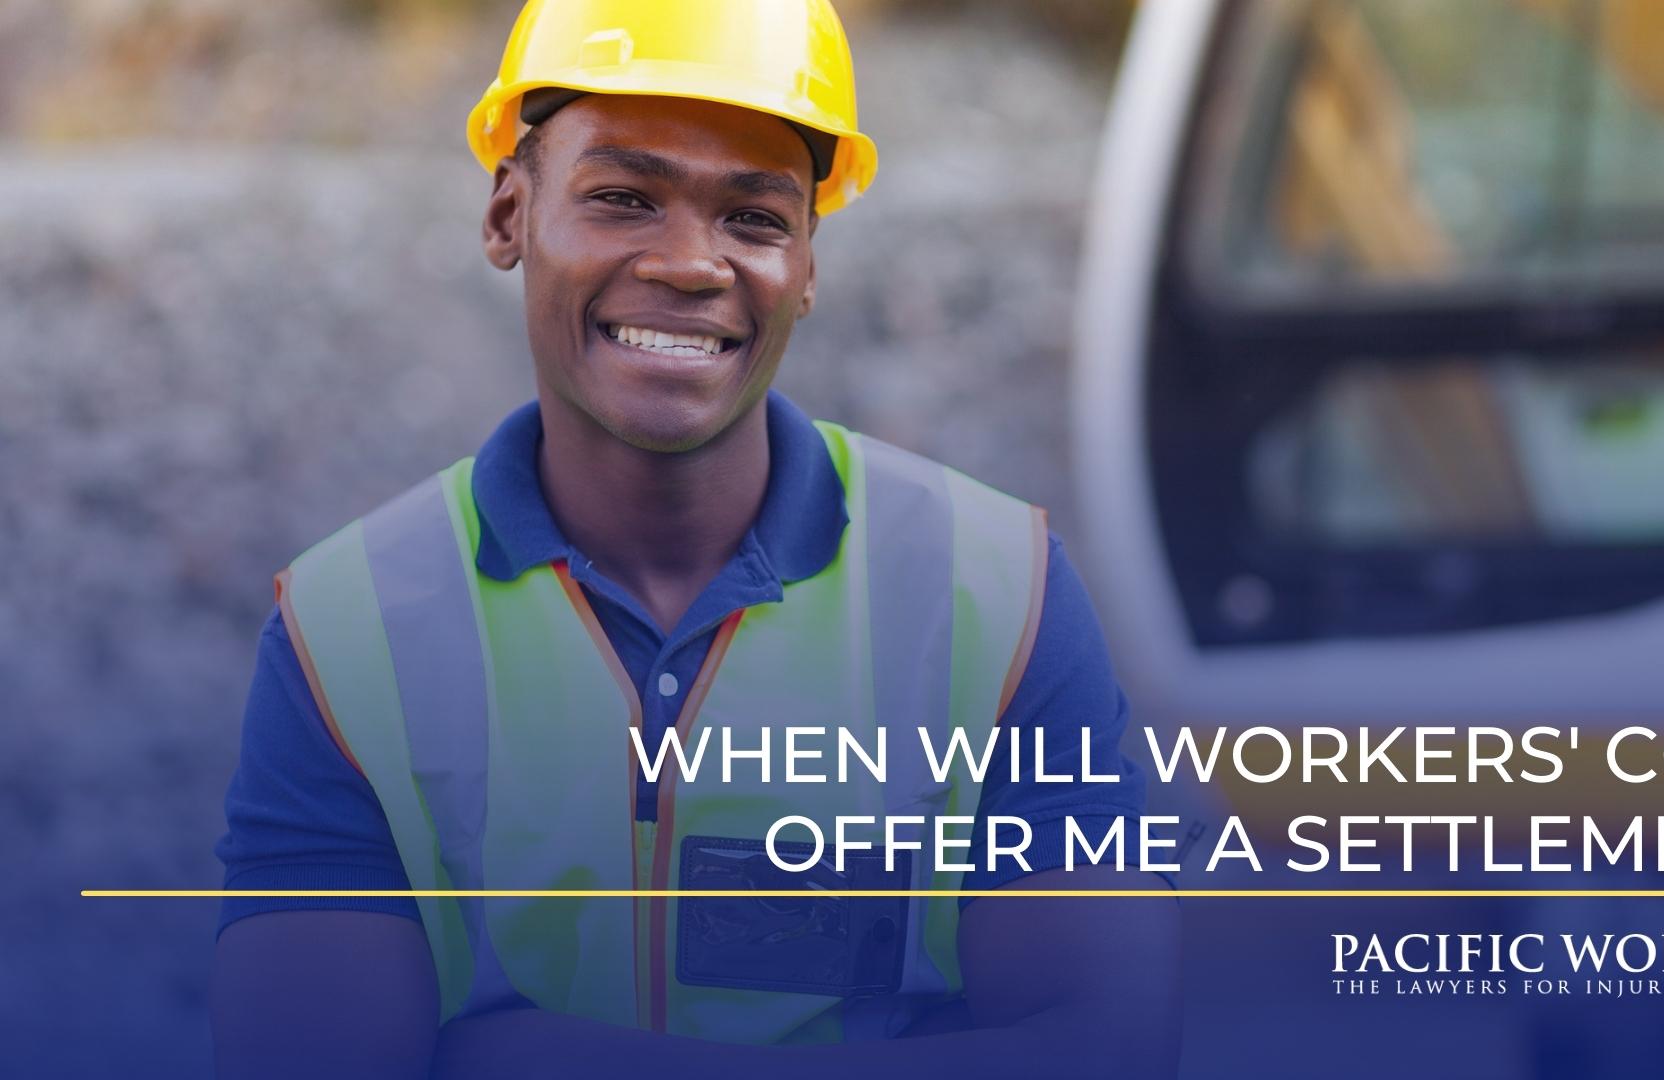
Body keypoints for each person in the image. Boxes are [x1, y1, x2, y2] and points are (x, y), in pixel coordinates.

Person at [210, 1, 1179, 1076]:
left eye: (755, 218)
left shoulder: (998, 595)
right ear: (508, 217)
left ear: (807, 264)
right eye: (623, 198)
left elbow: (1109, 1049)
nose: (689, 263)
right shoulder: (346, 636)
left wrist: (534, 1058)